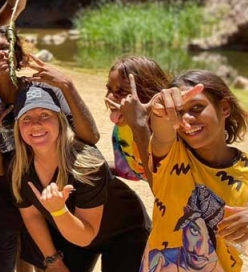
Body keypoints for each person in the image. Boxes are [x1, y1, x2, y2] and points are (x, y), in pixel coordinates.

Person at [0, 26, 101, 272]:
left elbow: (90, 137)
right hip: (2, 195)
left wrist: (68, 86)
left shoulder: (43, 90)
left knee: (46, 261)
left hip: (47, 190)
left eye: (4, 47)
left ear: (16, 53)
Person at [141, 70, 248, 272]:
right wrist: (160, 112)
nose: (186, 119)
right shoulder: (170, 154)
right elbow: (161, 133)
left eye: (197, 108)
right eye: (179, 112)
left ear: (224, 107)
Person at [11, 85, 152, 272]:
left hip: (123, 230)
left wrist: (59, 211)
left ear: (60, 121)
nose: (36, 124)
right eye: (26, 118)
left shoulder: (87, 163)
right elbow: (32, 215)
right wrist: (54, 262)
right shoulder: (20, 168)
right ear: (18, 128)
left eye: (45, 115)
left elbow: (85, 235)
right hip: (72, 229)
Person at [104, 55, 171, 184]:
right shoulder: (123, 130)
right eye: (109, 89)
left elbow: (160, 185)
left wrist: (139, 127)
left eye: (122, 91)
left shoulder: (168, 133)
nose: (110, 98)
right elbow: (132, 171)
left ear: (149, 93)